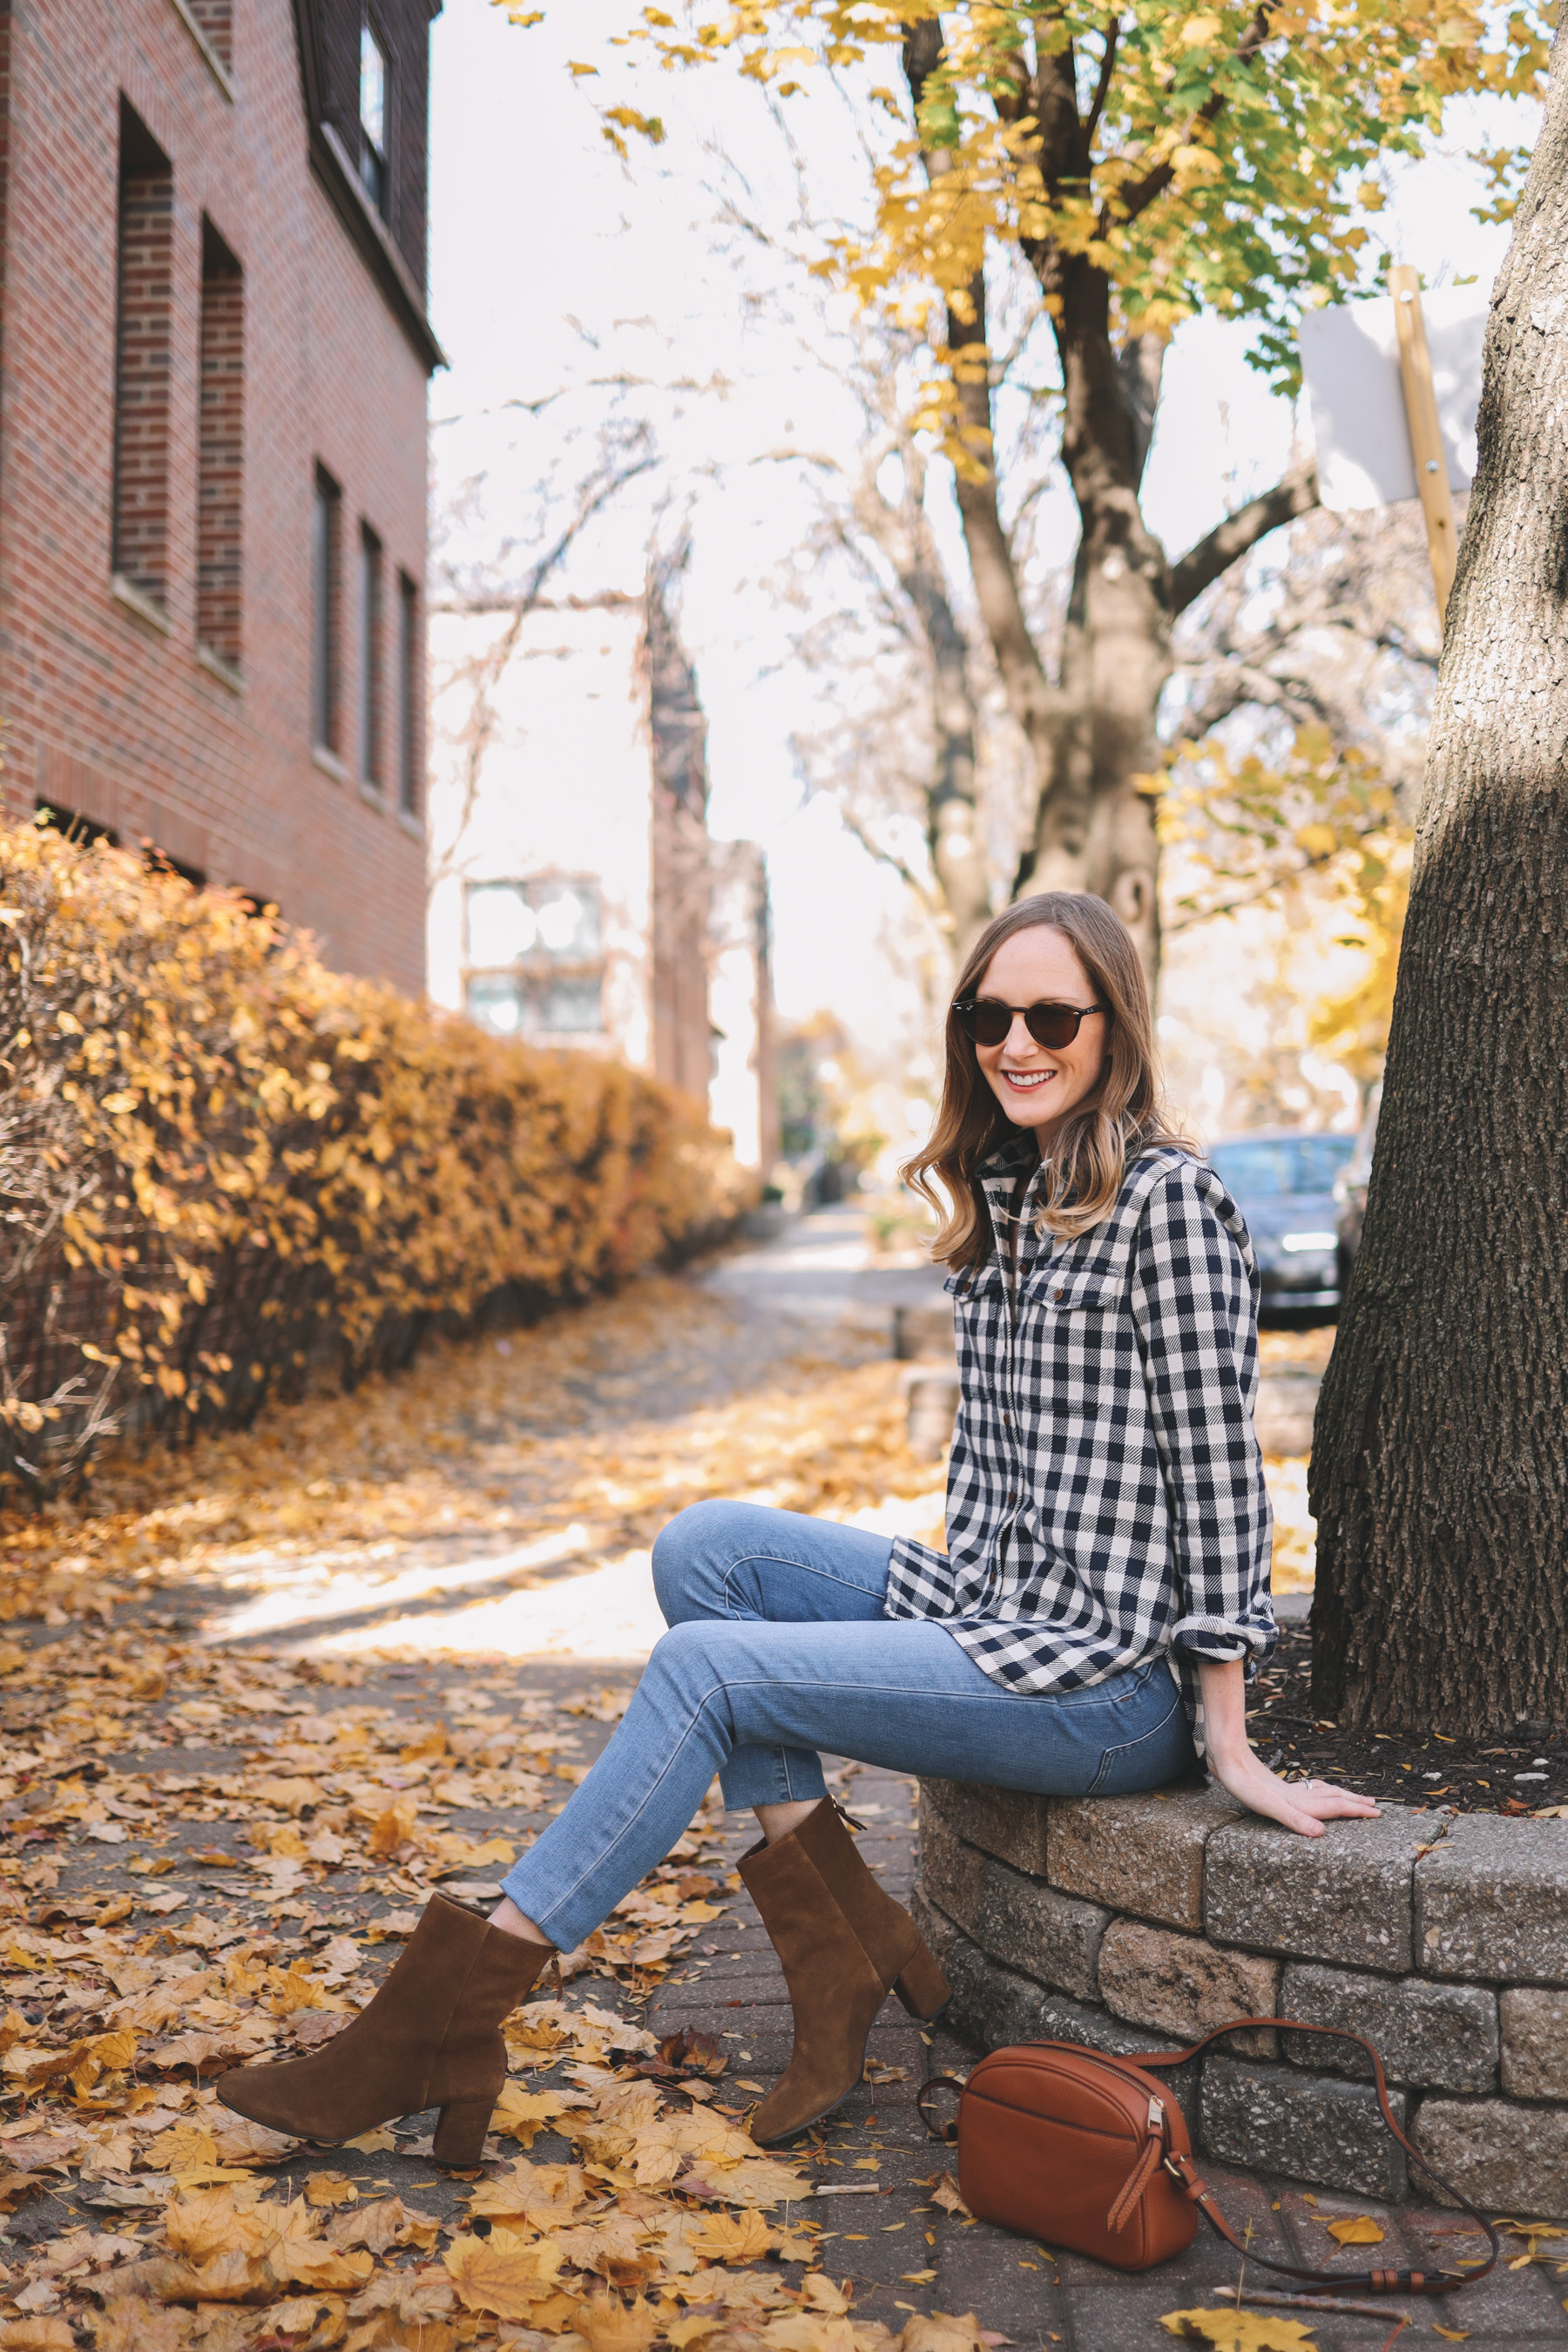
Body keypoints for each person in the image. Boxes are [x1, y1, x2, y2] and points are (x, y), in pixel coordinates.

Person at [217, 891, 1377, 2169]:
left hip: (1101, 1683)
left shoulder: (1171, 1204)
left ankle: (453, 2009)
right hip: (990, 1607)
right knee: (703, 1555)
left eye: (1053, 1014)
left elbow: (1221, 1477)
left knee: (708, 1668)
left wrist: (1231, 1741)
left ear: (1115, 1027)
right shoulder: (1003, 1193)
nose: (1019, 1041)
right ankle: (843, 1949)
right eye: (990, 1016)